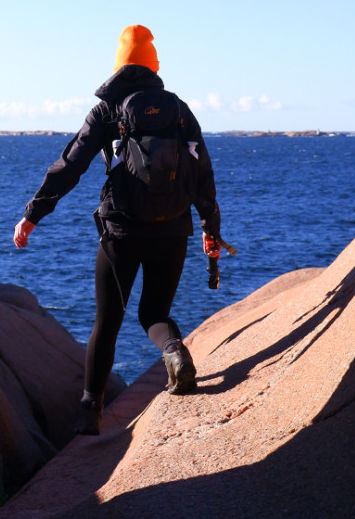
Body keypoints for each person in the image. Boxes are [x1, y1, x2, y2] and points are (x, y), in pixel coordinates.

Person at [13, 24, 222, 436]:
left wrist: (33, 214)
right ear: (154, 65)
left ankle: (90, 414)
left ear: (118, 64)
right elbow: (203, 175)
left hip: (121, 232)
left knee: (107, 321)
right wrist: (209, 229)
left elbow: (70, 165)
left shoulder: (108, 109)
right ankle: (175, 353)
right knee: (155, 313)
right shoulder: (179, 111)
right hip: (172, 230)